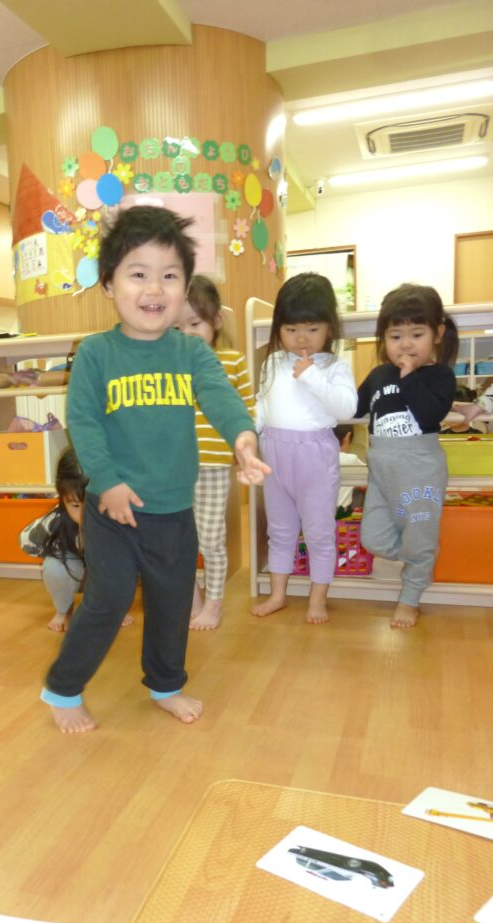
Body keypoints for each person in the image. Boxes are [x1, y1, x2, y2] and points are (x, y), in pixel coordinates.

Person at [41, 205, 269, 734]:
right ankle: (63, 689)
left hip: (173, 508)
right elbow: (84, 423)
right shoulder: (96, 353)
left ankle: (165, 684)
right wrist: (106, 483)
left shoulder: (191, 353)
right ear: (109, 284)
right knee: (108, 598)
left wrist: (243, 439)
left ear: (185, 287)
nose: (154, 288)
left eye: (170, 276)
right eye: (138, 273)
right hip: (113, 507)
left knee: (170, 602)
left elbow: (221, 397)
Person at [251, 272, 358, 625]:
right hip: (274, 453)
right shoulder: (271, 363)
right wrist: (248, 438)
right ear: (278, 329)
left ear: (329, 328)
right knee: (279, 530)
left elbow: (346, 409)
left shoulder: (335, 368)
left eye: (312, 328)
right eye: (290, 328)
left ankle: (318, 598)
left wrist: (311, 375)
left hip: (314, 455)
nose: (300, 338)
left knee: (318, 532)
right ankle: (278, 594)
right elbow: (262, 407)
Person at [355, 283, 458, 629]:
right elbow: (354, 409)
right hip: (382, 471)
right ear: (383, 338)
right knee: (372, 537)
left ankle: (411, 596)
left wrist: (410, 377)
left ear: (437, 334)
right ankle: (421, 557)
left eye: (417, 334)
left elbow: (430, 415)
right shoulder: (378, 375)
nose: (406, 344)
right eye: (396, 336)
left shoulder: (439, 376)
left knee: (419, 536)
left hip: (420, 471)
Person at [175, 275, 255, 630]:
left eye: (195, 323)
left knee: (210, 539)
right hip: (171, 470)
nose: (187, 333)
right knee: (176, 541)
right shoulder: (167, 363)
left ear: (216, 320)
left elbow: (248, 412)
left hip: (210, 467)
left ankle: (215, 603)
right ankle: (191, 597)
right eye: (177, 327)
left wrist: (245, 453)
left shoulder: (232, 361)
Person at [19, 447, 133, 632]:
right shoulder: (56, 521)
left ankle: (116, 608)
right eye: (75, 505)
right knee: (53, 566)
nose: (85, 514)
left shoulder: (119, 517)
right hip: (78, 574)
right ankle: (64, 609)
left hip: (107, 575)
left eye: (92, 504)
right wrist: (56, 552)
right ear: (62, 500)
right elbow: (26, 541)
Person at [333, 423, 366, 515]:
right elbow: (368, 481)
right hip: (341, 514)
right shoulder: (351, 460)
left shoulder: (317, 458)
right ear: (348, 437)